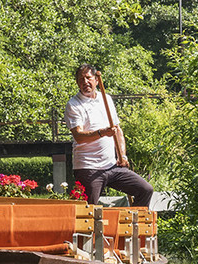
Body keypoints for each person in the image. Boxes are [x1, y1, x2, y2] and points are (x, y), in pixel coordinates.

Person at [64, 64, 153, 207]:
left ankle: (134, 227)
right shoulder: (74, 104)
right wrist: (102, 133)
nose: (85, 82)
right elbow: (79, 136)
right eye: (81, 79)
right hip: (88, 168)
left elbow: (117, 130)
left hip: (112, 166)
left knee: (145, 189)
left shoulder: (106, 99)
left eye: (88, 78)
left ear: (96, 80)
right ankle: (88, 230)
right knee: (88, 208)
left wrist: (122, 156)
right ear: (77, 83)